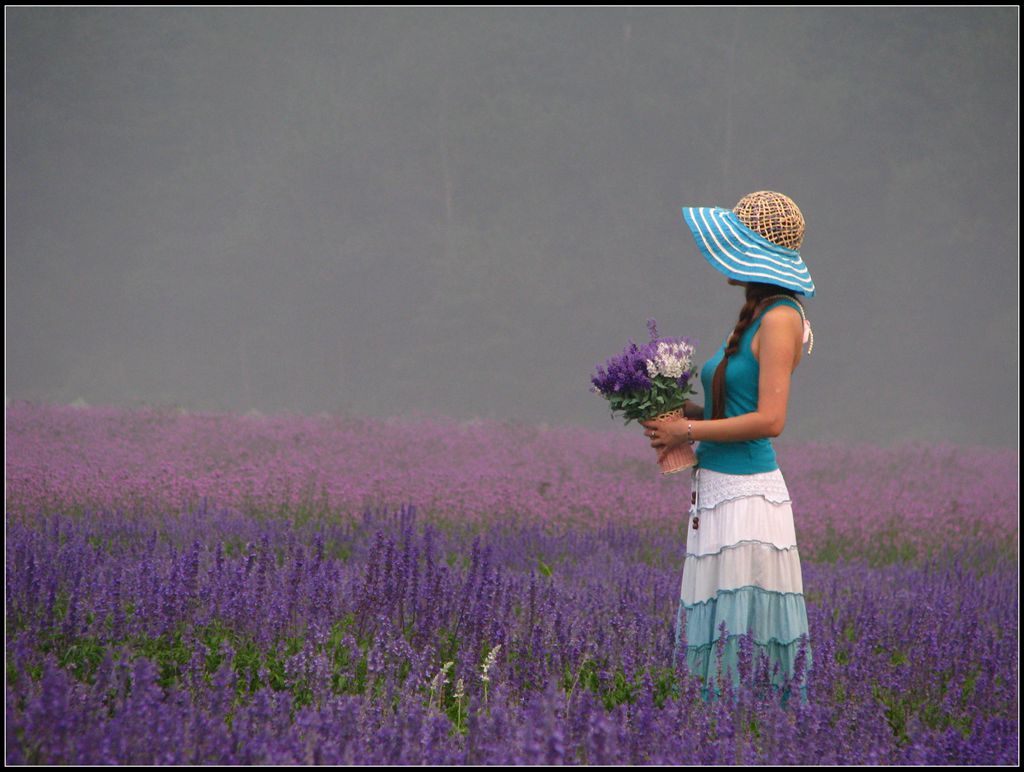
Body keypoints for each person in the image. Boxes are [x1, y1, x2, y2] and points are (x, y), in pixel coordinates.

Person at [639, 190, 815, 708]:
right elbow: (734, 409)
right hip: (715, 493)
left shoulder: (781, 318)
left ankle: (755, 735)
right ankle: (714, 735)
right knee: (715, 621)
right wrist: (678, 411)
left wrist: (686, 435)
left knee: (742, 626)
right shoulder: (756, 314)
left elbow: (769, 421)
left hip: (747, 499)